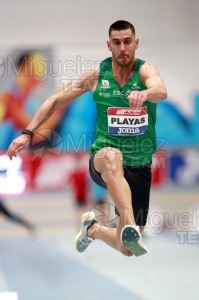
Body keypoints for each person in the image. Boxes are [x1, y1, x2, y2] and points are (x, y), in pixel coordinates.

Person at [7, 20, 167, 257]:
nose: (122, 48)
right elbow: (55, 100)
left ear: (136, 43)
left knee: (127, 249)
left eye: (127, 42)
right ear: (109, 45)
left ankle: (93, 230)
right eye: (116, 43)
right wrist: (27, 132)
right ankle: (130, 224)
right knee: (112, 157)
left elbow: (160, 90)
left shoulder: (145, 71)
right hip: (104, 159)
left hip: (139, 166)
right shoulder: (97, 76)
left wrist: (144, 93)